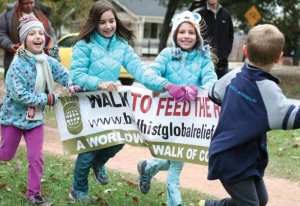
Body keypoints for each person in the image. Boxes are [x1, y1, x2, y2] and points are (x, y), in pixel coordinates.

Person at [199, 24, 295, 206]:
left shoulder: (234, 75)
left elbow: (214, 93)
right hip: (231, 158)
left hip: (245, 157)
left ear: (245, 51)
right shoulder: (268, 89)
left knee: (260, 200)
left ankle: (208, 205)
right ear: (278, 57)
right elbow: (292, 118)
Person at [69, 0, 148, 202]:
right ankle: (78, 189)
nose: (108, 26)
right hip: (88, 103)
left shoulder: (121, 45)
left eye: (111, 21)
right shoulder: (83, 45)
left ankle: (98, 163)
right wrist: (99, 83)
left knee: (118, 140)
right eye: (102, 22)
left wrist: (163, 85)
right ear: (94, 23)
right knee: (88, 150)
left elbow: (140, 70)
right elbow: (76, 75)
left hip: (110, 104)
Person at [137, 11, 218, 206]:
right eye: (182, 31)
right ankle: (175, 202)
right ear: (175, 34)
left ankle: (147, 167)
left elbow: (212, 84)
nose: (186, 36)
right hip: (166, 120)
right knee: (176, 161)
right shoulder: (166, 55)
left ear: (197, 36)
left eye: (191, 32)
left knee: (176, 159)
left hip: (189, 122)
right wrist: (167, 86)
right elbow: (148, 76)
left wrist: (196, 90)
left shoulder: (203, 58)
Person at [0, 16, 81, 206]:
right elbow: (19, 95)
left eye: (40, 33)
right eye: (32, 33)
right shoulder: (17, 64)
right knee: (6, 155)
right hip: (13, 118)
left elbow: (62, 73)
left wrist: (73, 84)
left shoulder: (46, 60)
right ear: (24, 40)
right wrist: (48, 99)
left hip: (35, 120)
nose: (38, 37)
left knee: (36, 157)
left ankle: (34, 194)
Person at [0, 0, 60, 80]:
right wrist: (9, 45)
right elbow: (1, 33)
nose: (29, 6)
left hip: (42, 59)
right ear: (19, 3)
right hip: (19, 58)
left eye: (32, 3)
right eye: (26, 3)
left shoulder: (41, 13)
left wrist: (54, 54)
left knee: (43, 85)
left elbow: (51, 34)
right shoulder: (8, 15)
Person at [193, 0, 234, 79]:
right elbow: (196, 35)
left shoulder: (226, 14)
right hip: (204, 61)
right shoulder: (200, 15)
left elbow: (230, 35)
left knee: (222, 89)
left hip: (222, 62)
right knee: (205, 89)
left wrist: (226, 52)